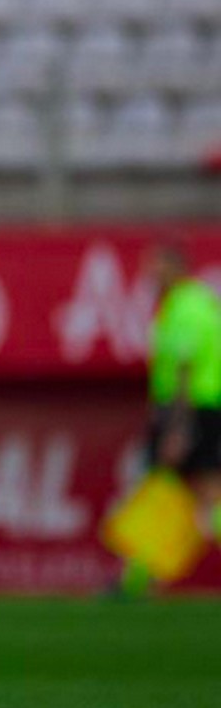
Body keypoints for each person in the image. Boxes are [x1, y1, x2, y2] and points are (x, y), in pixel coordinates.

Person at [120, 242, 221, 596]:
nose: (149, 273)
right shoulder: (196, 304)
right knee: (203, 493)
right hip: (202, 408)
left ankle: (139, 581)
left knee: (165, 490)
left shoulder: (185, 308)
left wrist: (177, 428)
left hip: (191, 411)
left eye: (156, 265)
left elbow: (183, 370)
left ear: (176, 267)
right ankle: (147, 580)